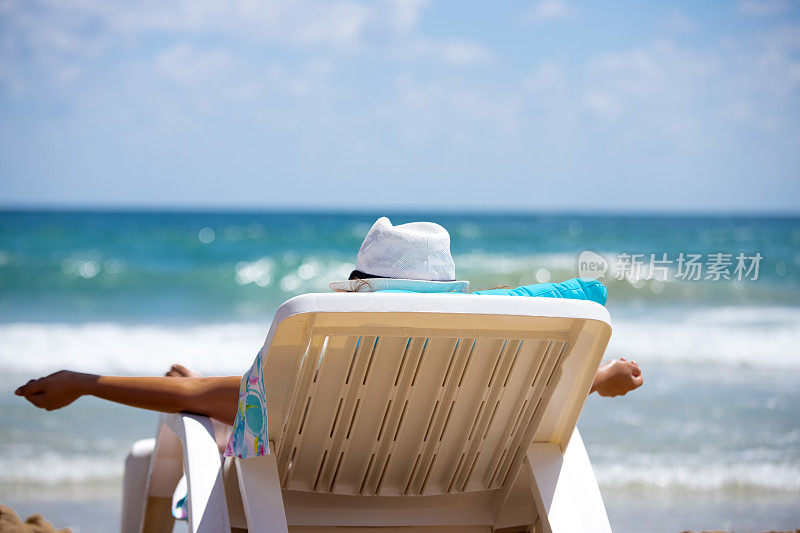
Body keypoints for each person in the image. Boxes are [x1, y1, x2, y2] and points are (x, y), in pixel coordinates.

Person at [15, 217, 643, 430]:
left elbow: (190, 397)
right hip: (456, 500)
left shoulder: (318, 383)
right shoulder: (477, 378)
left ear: (361, 295)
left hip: (309, 499)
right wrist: (602, 375)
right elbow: (543, 389)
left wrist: (85, 382)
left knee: (212, 410)